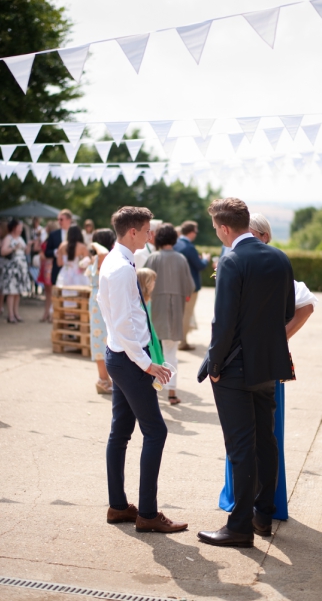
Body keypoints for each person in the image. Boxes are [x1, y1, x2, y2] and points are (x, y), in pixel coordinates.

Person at [197, 198, 294, 548]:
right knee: (265, 443)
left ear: (225, 228)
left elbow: (222, 323)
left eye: (216, 229)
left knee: (241, 447)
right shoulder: (280, 257)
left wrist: (216, 365)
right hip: (268, 365)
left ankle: (238, 527)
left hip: (235, 368)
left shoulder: (232, 260)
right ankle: (262, 515)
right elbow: (286, 312)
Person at [219, 213, 317, 520]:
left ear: (261, 235)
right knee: (262, 437)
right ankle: (257, 506)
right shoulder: (274, 260)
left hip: (246, 363)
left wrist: (278, 338)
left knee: (254, 437)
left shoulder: (243, 261)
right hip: (267, 361)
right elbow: (289, 308)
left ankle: (251, 510)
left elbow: (305, 305)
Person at [97, 206, 185, 533]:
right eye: (148, 230)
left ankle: (118, 506)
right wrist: (147, 364)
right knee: (156, 431)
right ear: (132, 232)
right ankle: (147, 513)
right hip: (129, 358)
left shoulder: (117, 260)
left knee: (120, 432)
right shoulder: (120, 268)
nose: (151, 235)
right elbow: (122, 326)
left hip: (120, 355)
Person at [145, 224, 194, 406]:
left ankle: (153, 390)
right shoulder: (181, 258)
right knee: (171, 352)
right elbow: (189, 286)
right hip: (175, 311)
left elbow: (141, 284)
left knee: (152, 351)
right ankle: (172, 392)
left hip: (155, 309)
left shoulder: (153, 258)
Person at [174, 220, 210, 351]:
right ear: (191, 232)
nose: (196, 234)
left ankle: (179, 340)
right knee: (186, 314)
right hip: (190, 287)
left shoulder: (176, 243)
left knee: (181, 313)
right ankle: (182, 342)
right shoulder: (189, 247)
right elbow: (200, 266)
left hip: (177, 285)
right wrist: (205, 259)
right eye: (196, 231)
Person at [88, 228, 116, 394]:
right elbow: (104, 251)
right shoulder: (102, 257)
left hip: (98, 301)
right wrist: (95, 244)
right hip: (100, 302)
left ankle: (105, 378)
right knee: (101, 340)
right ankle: (103, 379)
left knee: (102, 339)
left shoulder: (98, 259)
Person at [0, 219, 31, 323]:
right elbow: (3, 251)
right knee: (11, 292)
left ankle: (16, 313)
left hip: (21, 268)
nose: (21, 229)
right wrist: (13, 247)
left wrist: (29, 245)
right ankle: (10, 315)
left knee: (18, 292)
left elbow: (26, 252)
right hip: (11, 268)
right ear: (14, 227)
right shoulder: (8, 238)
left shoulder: (21, 238)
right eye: (19, 227)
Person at [45, 209, 72, 287]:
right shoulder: (53, 234)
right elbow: (47, 252)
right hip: (57, 269)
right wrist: (55, 252)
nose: (59, 222)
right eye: (58, 219)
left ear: (68, 220)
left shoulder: (75, 233)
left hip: (72, 270)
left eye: (61, 219)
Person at [38, 220, 58, 322]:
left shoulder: (53, 240)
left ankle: (50, 314)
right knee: (48, 293)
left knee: (51, 293)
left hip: (49, 267)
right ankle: (47, 313)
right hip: (45, 267)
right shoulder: (47, 239)